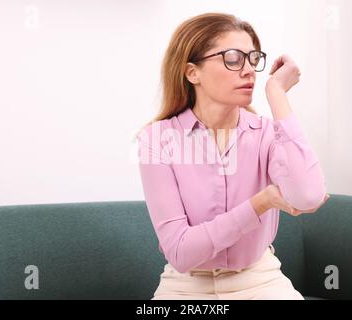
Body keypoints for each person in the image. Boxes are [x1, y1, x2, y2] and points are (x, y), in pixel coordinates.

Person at [135, 12, 329, 300]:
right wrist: (261, 202)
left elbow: (309, 196)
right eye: (234, 59)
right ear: (192, 72)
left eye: (253, 59)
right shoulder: (157, 139)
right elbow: (180, 253)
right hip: (185, 286)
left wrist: (277, 94)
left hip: (259, 281)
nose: (249, 69)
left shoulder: (265, 133)